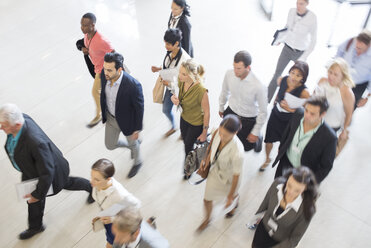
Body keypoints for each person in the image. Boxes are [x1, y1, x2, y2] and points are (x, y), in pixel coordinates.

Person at [0, 103, 93, 240]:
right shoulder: (22, 119)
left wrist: (37, 194)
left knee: (43, 195)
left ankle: (91, 187)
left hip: (50, 173)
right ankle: (36, 226)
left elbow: (47, 172)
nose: (1, 127)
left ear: (17, 125)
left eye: (4, 125)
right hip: (32, 169)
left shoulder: (34, 142)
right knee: (55, 188)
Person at [272, 96, 337, 183]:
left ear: (323, 114)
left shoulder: (330, 137)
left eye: (312, 114)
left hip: (303, 174)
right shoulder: (298, 113)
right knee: (276, 187)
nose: (307, 115)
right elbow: (287, 132)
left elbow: (326, 167)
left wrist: (310, 183)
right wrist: (281, 147)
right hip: (285, 163)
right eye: (306, 110)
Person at [197, 114, 244, 231]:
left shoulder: (237, 151)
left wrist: (230, 196)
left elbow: (236, 175)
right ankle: (207, 219)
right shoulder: (218, 131)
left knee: (231, 199)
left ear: (235, 133)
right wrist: (206, 160)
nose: (221, 136)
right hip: (215, 172)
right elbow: (212, 145)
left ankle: (234, 200)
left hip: (229, 179)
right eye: (221, 133)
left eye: (226, 135)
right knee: (207, 199)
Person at [100, 52, 144, 178]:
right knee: (110, 145)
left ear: (119, 69)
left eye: (109, 70)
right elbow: (103, 96)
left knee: (133, 143)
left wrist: (137, 128)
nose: (105, 72)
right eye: (104, 68)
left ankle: (138, 162)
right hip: (111, 118)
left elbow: (139, 108)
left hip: (128, 121)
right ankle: (132, 147)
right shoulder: (104, 76)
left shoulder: (133, 85)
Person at [260, 61, 310, 171]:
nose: (293, 77)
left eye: (298, 75)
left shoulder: (304, 92)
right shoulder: (282, 80)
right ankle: (267, 158)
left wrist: (290, 109)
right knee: (268, 139)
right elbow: (279, 92)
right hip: (276, 114)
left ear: (303, 77)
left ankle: (280, 161)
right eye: (292, 73)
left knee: (284, 144)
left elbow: (308, 109)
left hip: (290, 120)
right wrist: (276, 100)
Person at [252, 167, 318, 248]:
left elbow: (294, 239)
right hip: (262, 229)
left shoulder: (307, 209)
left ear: (305, 188)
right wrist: (256, 218)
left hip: (279, 242)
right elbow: (265, 204)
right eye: (289, 185)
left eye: (297, 190)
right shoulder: (277, 184)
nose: (290, 192)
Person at [267, 0, 317, 102]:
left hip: (300, 53)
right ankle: (266, 102)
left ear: (307, 4)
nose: (298, 6)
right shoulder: (291, 11)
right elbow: (287, 27)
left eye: (301, 4)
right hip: (287, 49)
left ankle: (287, 103)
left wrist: (303, 58)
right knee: (276, 75)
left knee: (296, 80)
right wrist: (280, 39)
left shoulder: (312, 18)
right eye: (297, 3)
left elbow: (313, 40)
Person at [219, 50, 267, 153]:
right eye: (234, 67)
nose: (235, 71)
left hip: (248, 119)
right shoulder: (229, 74)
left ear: (248, 67)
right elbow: (224, 92)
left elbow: (263, 111)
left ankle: (258, 138)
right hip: (231, 112)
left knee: (246, 147)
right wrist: (221, 107)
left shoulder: (259, 86)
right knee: (225, 140)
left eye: (239, 68)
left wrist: (256, 131)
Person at [171, 59, 210, 178]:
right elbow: (175, 93)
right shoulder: (181, 81)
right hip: (184, 118)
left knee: (188, 145)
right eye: (180, 72)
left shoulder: (201, 90)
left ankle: (189, 167)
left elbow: (207, 112)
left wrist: (204, 132)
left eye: (184, 74)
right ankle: (189, 160)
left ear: (192, 75)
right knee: (186, 142)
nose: (180, 76)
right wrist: (174, 98)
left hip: (196, 123)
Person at [90, 159, 141, 248]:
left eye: (96, 179)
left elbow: (136, 204)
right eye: (91, 177)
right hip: (108, 217)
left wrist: (113, 219)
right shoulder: (98, 185)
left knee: (112, 243)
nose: (91, 181)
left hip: (117, 223)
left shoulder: (119, 194)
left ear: (108, 179)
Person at [151, 28, 190, 137]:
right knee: (166, 109)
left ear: (177, 43)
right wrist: (158, 69)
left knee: (185, 114)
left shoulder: (185, 60)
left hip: (181, 90)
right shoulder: (170, 52)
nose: (165, 46)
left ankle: (184, 132)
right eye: (165, 43)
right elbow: (168, 66)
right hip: (170, 88)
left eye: (168, 44)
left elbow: (186, 81)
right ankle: (174, 126)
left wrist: (170, 84)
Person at [314, 58, 355, 156]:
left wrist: (344, 131)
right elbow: (313, 98)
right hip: (315, 121)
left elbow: (349, 114)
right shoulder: (322, 81)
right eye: (330, 72)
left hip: (330, 126)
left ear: (343, 76)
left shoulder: (346, 92)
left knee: (318, 151)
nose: (331, 76)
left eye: (335, 74)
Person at [80, 12, 115, 127]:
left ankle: (99, 115)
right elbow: (82, 44)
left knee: (95, 91)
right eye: (81, 24)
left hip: (103, 71)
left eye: (85, 25)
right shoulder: (87, 36)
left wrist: (110, 69)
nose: (82, 27)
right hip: (96, 68)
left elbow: (114, 53)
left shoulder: (101, 40)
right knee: (104, 91)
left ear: (93, 25)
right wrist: (84, 49)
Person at [336, 29, 371, 108]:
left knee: (348, 110)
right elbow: (339, 51)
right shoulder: (351, 41)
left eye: (361, 49)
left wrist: (366, 97)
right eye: (356, 47)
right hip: (342, 79)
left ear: (369, 45)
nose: (358, 51)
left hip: (358, 86)